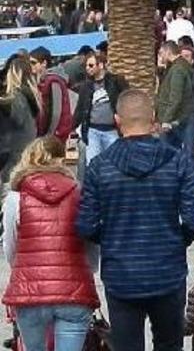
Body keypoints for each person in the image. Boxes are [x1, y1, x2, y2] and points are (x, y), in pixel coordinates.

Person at [76, 89, 194, 351]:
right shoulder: (178, 162)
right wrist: (176, 240)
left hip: (121, 275)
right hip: (167, 271)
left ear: (117, 120)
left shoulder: (100, 167)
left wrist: (111, 238)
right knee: (169, 344)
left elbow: (85, 224)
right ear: (154, 118)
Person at [2, 137, 100, 351]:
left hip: (30, 292)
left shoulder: (15, 197)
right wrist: (88, 269)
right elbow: (91, 242)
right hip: (73, 291)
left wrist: (21, 270)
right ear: (62, 161)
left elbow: (10, 247)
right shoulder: (79, 193)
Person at [74, 53, 128, 164]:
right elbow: (80, 109)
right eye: (86, 66)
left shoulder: (116, 81)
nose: (88, 68)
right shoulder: (86, 86)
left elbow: (126, 99)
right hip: (93, 130)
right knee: (93, 163)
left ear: (101, 65)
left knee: (115, 163)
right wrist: (72, 128)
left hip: (112, 130)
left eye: (91, 65)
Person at [0, 57, 40, 183]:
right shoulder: (31, 95)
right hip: (23, 155)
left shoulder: (18, 97)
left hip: (13, 158)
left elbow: (18, 119)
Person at [29, 46, 74, 142]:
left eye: (33, 63)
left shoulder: (54, 81)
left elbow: (56, 112)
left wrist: (49, 135)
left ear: (44, 63)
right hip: (47, 134)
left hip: (57, 135)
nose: (30, 66)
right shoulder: (42, 81)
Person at [157, 41, 194, 152]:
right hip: (176, 118)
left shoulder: (177, 70)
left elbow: (175, 97)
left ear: (168, 52)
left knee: (168, 153)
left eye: (161, 53)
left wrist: (167, 120)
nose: (160, 56)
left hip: (172, 120)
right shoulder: (176, 67)